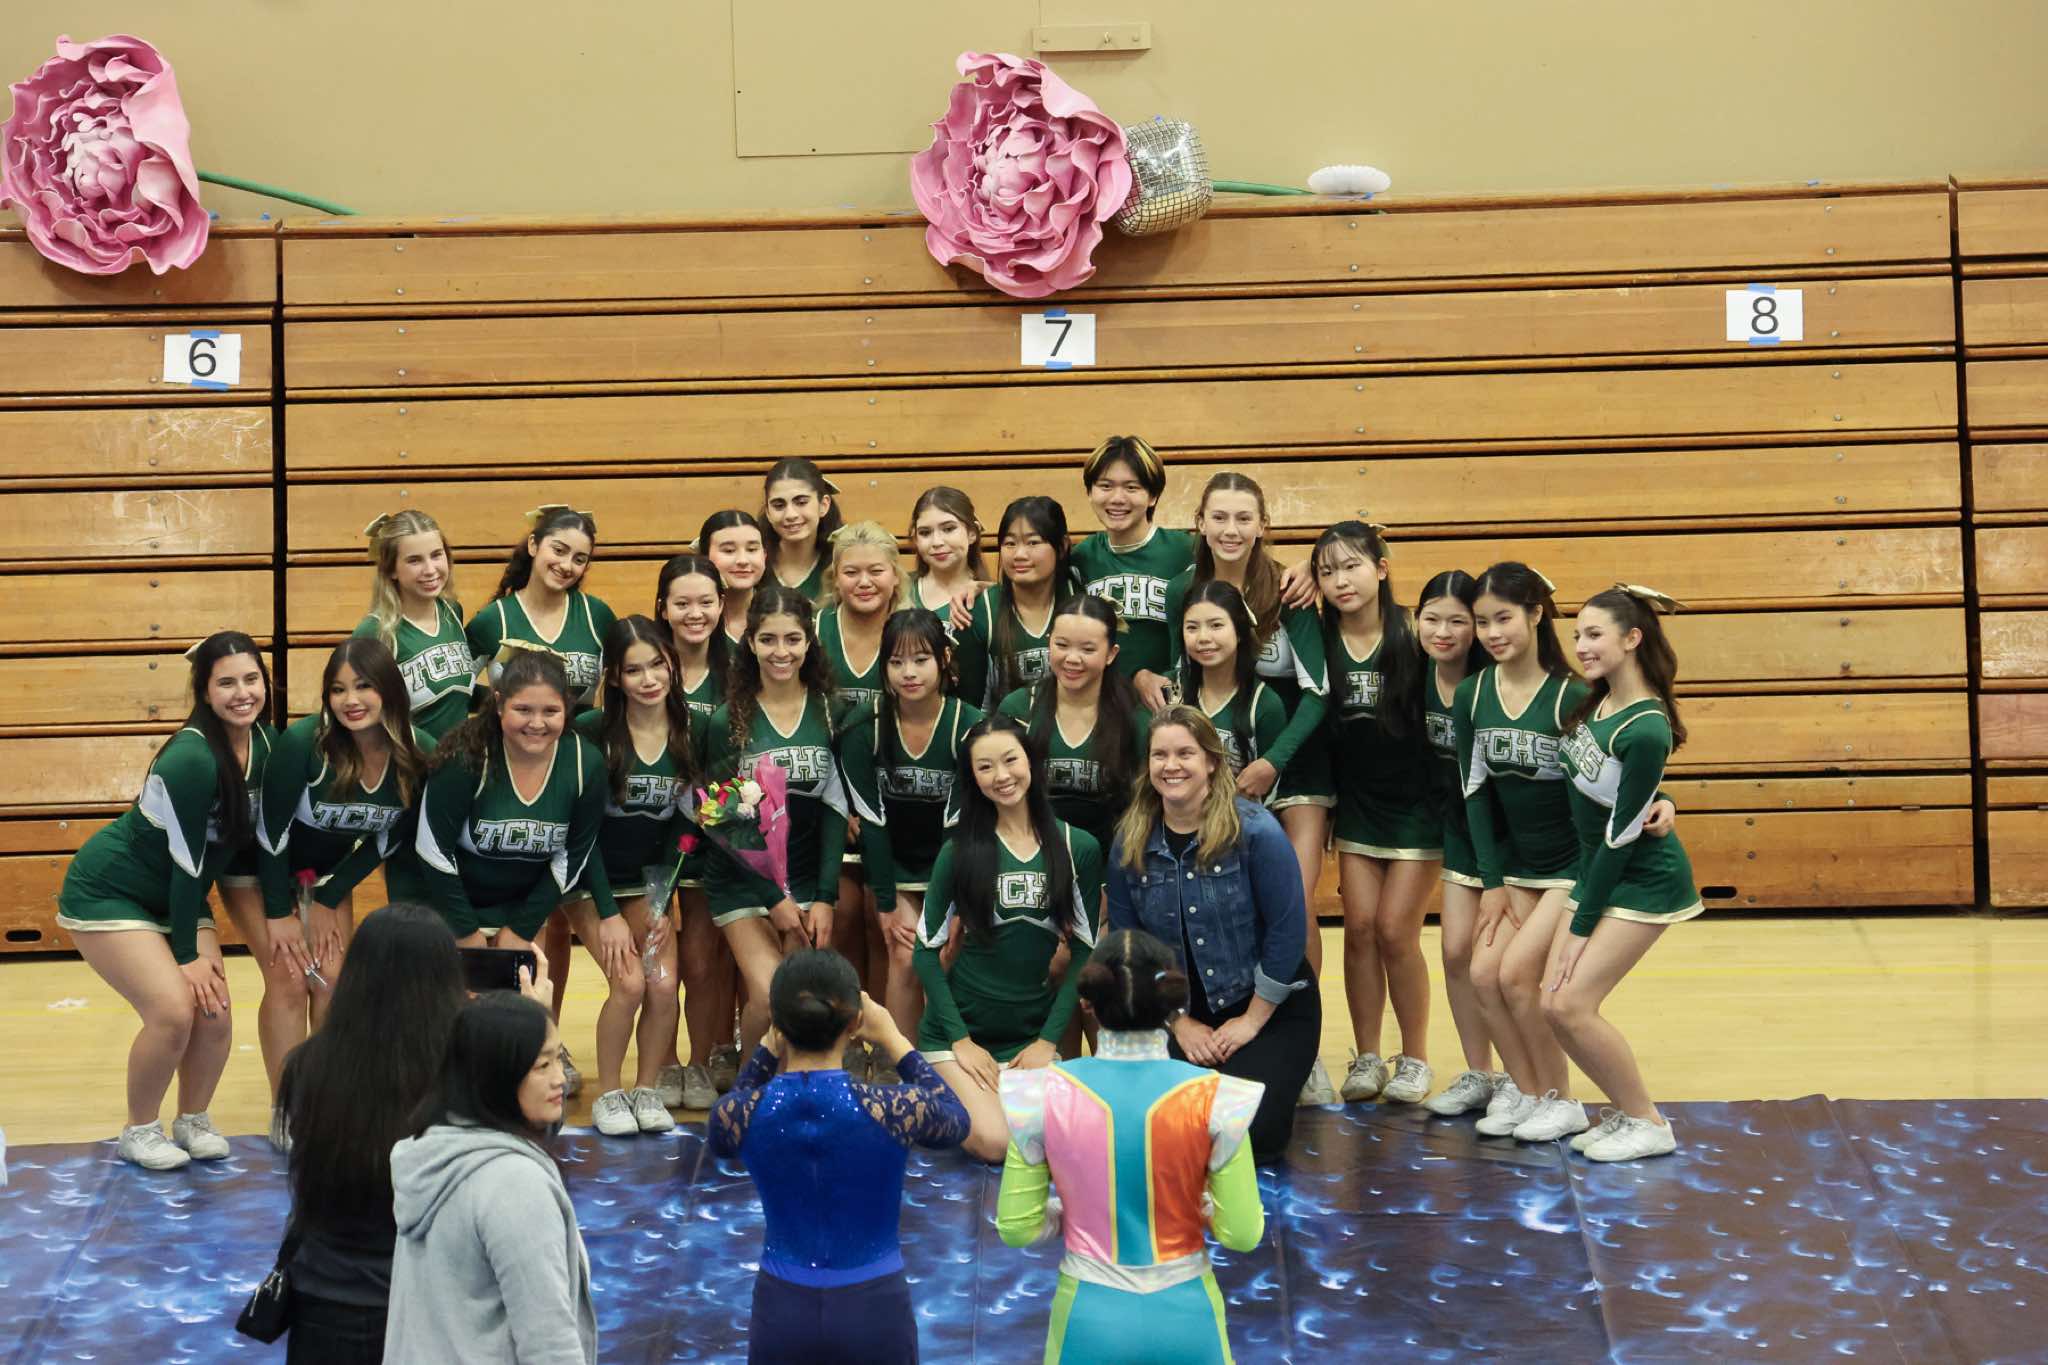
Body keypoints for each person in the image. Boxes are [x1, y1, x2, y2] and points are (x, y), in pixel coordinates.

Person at [56, 630, 281, 1169]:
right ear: (204, 692)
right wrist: (185, 954)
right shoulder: (190, 758)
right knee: (173, 1010)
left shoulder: (268, 746)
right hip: (112, 890)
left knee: (215, 1011)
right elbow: (187, 862)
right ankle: (139, 1129)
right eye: (226, 683)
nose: (242, 693)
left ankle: (193, 1118)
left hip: (180, 894)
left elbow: (262, 844)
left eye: (251, 679)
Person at [277, 903, 534, 1364]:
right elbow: (524, 1150)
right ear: (447, 977)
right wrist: (531, 1027)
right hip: (430, 1304)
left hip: (324, 1300)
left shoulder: (306, 1065)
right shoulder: (466, 1068)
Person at [997, 929, 1266, 1365]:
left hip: (1089, 1317)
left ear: (1087, 1003)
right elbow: (1242, 1233)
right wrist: (1194, 1207)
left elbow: (1017, 1228)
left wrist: (1075, 1210)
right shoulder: (1218, 1098)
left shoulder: (1040, 1094)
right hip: (1189, 1318)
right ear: (1172, 1003)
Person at [709, 950, 970, 1364]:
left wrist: (765, 1051)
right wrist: (894, 1038)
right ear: (855, 1023)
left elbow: (721, 1132)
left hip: (783, 1308)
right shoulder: (894, 1109)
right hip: (875, 1307)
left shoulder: (742, 1114)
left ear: (778, 1024)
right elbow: (957, 1120)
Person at [1105, 706, 1320, 1160]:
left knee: (1247, 1135)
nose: (1172, 765)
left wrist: (1250, 1022)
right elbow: (1128, 948)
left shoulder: (1257, 831)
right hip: (1175, 1010)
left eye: (1185, 753)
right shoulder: (1130, 840)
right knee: (1151, 1131)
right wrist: (1178, 1023)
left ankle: (1274, 1080)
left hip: (1266, 1008)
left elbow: (1287, 934)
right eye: (1160, 755)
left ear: (1211, 762)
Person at [1545, 585, 1703, 1162]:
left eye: (1594, 634)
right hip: (1598, 870)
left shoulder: (1646, 726)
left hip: (1641, 881)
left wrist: (1581, 925)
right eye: (1577, 635)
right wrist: (1665, 798)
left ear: (1632, 639)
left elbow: (1620, 835)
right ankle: (1626, 1111)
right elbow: (1624, 793)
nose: (1581, 646)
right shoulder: (1600, 701)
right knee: (1552, 1003)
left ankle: (1648, 1123)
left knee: (1570, 1005)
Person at [465, 504, 615, 1071]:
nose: (567, 564)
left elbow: (610, 696)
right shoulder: (491, 621)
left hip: (570, 775)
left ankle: (549, 1037)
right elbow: (466, 701)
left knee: (557, 921)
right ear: (532, 546)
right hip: (511, 773)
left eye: (580, 558)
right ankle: (529, 1038)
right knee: (528, 921)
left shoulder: (597, 617)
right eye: (558, 550)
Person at [912, 714, 1102, 1162]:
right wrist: (960, 1041)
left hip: (1027, 1040)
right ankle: (932, 1094)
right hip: (957, 1039)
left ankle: (969, 1100)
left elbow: (1084, 953)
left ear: (1031, 760)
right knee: (997, 1143)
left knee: (1065, 1140)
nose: (1001, 776)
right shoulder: (958, 851)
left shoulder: (1078, 847)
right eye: (985, 767)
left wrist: (1048, 1042)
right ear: (972, 778)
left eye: (1010, 760)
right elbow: (925, 954)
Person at [386, 992, 596, 1365]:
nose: (560, 1079)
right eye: (542, 1065)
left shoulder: (433, 1151)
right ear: (498, 1074)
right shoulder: (516, 1186)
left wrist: (530, 1020)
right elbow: (549, 1344)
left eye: (559, 1059)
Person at [1311, 522, 1439, 1106]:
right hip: (1358, 804)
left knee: (1394, 930)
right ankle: (1367, 1055)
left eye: (1352, 566)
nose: (1341, 581)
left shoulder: (1414, 632)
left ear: (1381, 569)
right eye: (1327, 571)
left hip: (1417, 805)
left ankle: (1415, 1058)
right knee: (1359, 929)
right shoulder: (1318, 637)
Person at [700, 584, 850, 1056]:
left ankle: (789, 1087)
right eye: (768, 639)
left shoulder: (831, 711)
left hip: (804, 876)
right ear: (750, 642)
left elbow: (835, 810)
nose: (780, 652)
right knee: (769, 997)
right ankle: (751, 1091)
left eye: (792, 639)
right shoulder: (729, 720)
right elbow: (720, 819)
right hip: (742, 880)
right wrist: (773, 898)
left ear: (809, 642)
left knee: (800, 1002)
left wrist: (824, 897)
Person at [257, 639, 435, 1036]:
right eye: (338, 690)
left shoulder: (417, 750)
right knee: (289, 979)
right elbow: (270, 834)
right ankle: (287, 1081)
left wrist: (328, 896)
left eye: (364, 686)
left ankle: (323, 1076)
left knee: (331, 981)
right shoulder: (303, 743)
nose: (350, 700)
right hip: (260, 870)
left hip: (319, 876)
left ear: (389, 688)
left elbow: (389, 839)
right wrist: (278, 913)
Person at [567, 616, 695, 1136]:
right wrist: (606, 913)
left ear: (672, 666)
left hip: (647, 882)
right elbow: (582, 833)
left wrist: (662, 898)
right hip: (590, 880)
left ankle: (646, 1089)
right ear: (615, 677)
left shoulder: (688, 730)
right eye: (634, 670)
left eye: (657, 665)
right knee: (629, 983)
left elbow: (686, 827)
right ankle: (609, 1093)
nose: (649, 679)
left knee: (663, 987)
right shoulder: (592, 731)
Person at [840, 608, 981, 1038]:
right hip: (895, 863)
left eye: (921, 660)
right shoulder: (863, 727)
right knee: (904, 955)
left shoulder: (969, 725)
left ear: (944, 659)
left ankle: (945, 1056)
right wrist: (885, 903)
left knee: (944, 958)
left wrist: (953, 904)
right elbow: (872, 822)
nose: (909, 673)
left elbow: (958, 825)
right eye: (896, 662)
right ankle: (896, 1061)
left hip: (951, 860)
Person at [414, 650, 607, 958]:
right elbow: (432, 849)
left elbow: (574, 854)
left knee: (525, 984)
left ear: (567, 708)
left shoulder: (587, 763)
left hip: (522, 909)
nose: (537, 723)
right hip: (452, 906)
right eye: (523, 709)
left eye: (551, 711)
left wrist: (522, 928)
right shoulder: (465, 756)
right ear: (500, 704)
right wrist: (466, 933)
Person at [1414, 570, 1507, 1118]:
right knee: (1455, 953)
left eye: (1458, 621)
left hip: (1509, 834)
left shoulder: (1495, 679)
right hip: (1458, 829)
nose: (1444, 632)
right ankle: (1480, 1072)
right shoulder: (1413, 673)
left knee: (1501, 966)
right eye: (1432, 619)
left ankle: (1523, 1077)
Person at [654, 551, 738, 1108]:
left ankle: (705, 1059)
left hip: (713, 834)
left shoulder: (739, 672)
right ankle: (663, 1063)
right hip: (648, 835)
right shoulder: (645, 665)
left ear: (722, 605)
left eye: (705, 602)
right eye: (682, 603)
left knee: (704, 960)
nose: (694, 613)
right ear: (662, 607)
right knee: (658, 959)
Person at [355, 509, 476, 743]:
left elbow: (452, 693)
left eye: (436, 555)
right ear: (391, 569)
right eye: (414, 560)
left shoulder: (452, 611)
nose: (430, 570)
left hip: (460, 760)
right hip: (410, 761)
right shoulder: (375, 632)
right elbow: (361, 718)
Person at [951, 495, 1074, 709]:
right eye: (1009, 543)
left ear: (1062, 546)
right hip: (1003, 728)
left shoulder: (1081, 597)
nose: (1019, 554)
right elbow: (969, 708)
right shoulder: (977, 612)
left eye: (1033, 542)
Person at [1177, 579, 1285, 776]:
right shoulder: (1169, 689)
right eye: (1192, 627)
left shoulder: (1264, 704)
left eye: (1216, 625)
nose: (1203, 637)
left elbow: (1267, 783)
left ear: (1239, 631)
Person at [761, 457, 843, 602]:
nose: (790, 515)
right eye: (779, 505)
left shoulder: (842, 564)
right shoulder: (754, 565)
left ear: (823, 505)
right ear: (768, 512)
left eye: (801, 502)